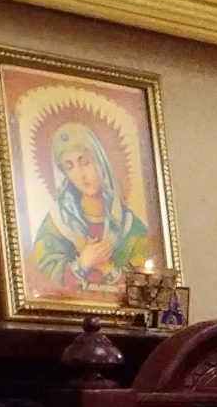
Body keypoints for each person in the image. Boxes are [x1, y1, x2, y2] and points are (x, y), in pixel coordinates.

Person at [27, 123, 152, 292]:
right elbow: (42, 277)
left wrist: (106, 267)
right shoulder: (57, 223)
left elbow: (145, 285)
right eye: (69, 167)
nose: (81, 175)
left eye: (85, 162)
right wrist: (83, 262)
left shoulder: (130, 226)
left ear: (101, 162)